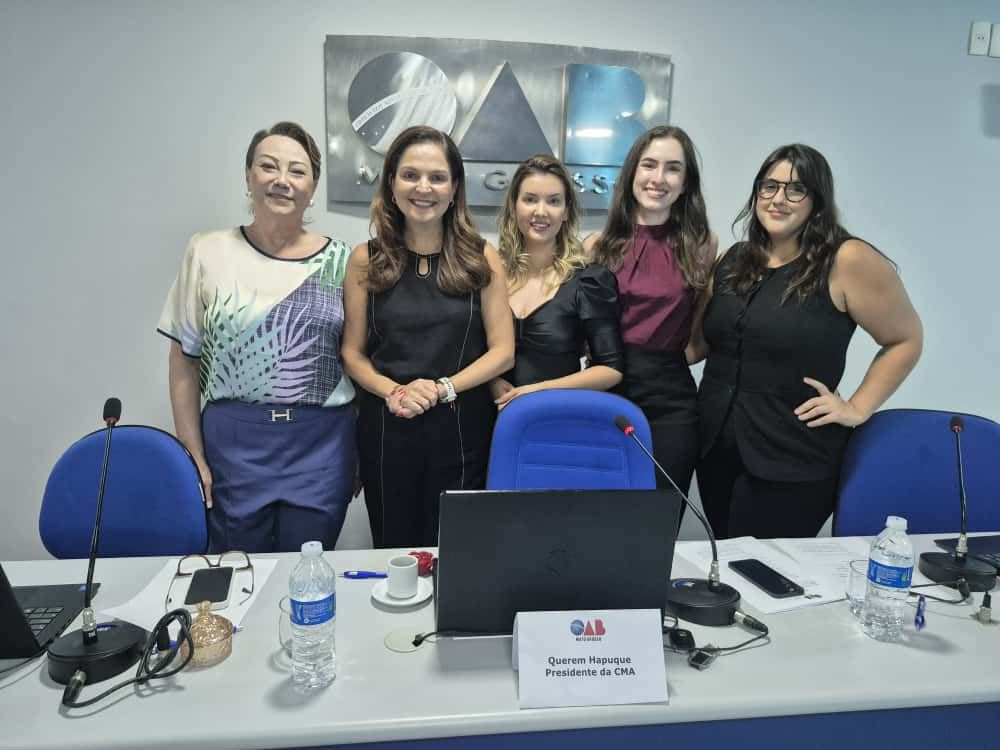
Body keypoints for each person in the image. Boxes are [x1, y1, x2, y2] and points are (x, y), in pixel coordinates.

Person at [689, 144, 923, 539]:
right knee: (726, 563)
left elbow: (905, 339)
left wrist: (857, 407)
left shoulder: (846, 260)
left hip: (792, 458)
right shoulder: (733, 259)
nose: (778, 198)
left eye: (795, 189)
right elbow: (695, 346)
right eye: (769, 186)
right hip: (716, 451)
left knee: (764, 571)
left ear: (817, 200)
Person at [158, 121, 356, 553]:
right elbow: (184, 362)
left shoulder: (345, 261)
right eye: (268, 166)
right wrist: (192, 454)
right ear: (249, 176)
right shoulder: (208, 251)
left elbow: (358, 358)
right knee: (236, 573)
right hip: (232, 445)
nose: (282, 180)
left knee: (308, 571)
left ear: (313, 186)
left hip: (321, 444)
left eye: (297, 171)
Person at [340, 126, 514, 548]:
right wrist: (395, 391)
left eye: (437, 177)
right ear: (391, 184)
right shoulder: (365, 259)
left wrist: (441, 388)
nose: (424, 188)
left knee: (459, 555)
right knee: (394, 553)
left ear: (454, 189)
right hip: (388, 428)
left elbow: (503, 352)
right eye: (410, 175)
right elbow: (353, 353)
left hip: (463, 432)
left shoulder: (482, 257)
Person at [584, 126, 717, 501]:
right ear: (632, 174)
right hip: (606, 392)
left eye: (673, 168)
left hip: (671, 402)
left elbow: (702, 329)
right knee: (600, 514)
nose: (659, 178)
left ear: (685, 183)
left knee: (661, 516)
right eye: (649, 165)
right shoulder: (596, 246)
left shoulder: (702, 245)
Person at [492, 155, 623, 408]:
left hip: (554, 416)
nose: (541, 211)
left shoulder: (588, 280)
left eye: (553, 201)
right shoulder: (491, 275)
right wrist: (491, 381)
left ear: (566, 212)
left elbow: (611, 369)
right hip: (487, 417)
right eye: (530, 199)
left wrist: (538, 391)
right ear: (514, 206)